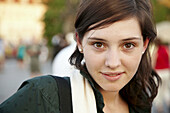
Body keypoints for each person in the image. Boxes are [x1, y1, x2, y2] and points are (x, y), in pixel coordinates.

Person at [0, 0, 161, 113]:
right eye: (99, 44)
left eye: (128, 45)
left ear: (144, 45)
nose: (112, 62)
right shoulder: (43, 96)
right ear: (79, 42)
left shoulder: (141, 103)